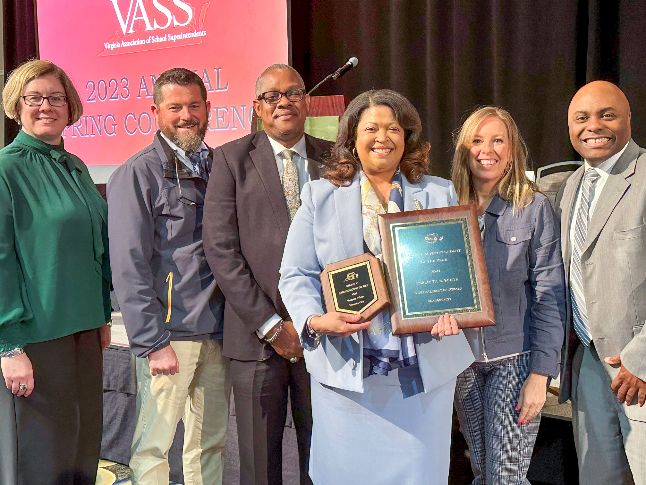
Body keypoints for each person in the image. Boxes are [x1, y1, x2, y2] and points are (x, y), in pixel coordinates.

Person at [278, 89, 474, 484]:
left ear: (407, 138)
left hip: (423, 375)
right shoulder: (320, 195)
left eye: (393, 128)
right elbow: (294, 274)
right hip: (347, 375)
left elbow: (457, 270)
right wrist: (315, 320)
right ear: (352, 137)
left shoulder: (438, 192)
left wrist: (455, 309)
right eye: (371, 128)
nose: (382, 137)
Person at [203, 64, 331, 485]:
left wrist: (318, 320)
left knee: (326, 458)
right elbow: (222, 251)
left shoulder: (337, 159)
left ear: (306, 100)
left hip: (327, 336)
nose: (284, 102)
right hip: (258, 340)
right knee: (259, 465)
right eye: (272, 96)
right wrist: (274, 327)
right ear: (257, 107)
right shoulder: (231, 159)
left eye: (293, 92)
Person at [107, 68, 230, 485]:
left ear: (208, 109)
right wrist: (152, 342)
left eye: (194, 105)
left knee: (209, 445)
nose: (186, 115)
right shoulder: (137, 173)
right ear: (155, 112)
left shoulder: (220, 167)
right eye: (175, 106)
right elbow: (128, 266)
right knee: (153, 449)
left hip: (219, 333)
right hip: (169, 339)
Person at [0, 59, 111, 485]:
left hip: (84, 333)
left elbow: (95, 248)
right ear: (17, 106)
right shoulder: (7, 169)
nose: (46, 106)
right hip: (36, 339)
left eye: (56, 98)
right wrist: (8, 346)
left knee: (81, 452)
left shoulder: (75, 166)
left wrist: (102, 314)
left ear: (70, 107)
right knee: (42, 463)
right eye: (35, 98)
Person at [450, 106, 565, 484]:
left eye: (498, 140)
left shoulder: (533, 208)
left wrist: (540, 375)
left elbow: (550, 296)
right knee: (483, 473)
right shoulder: (445, 207)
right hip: (463, 363)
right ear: (464, 150)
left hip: (515, 363)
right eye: (478, 140)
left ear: (513, 150)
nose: (488, 149)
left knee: (507, 478)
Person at [556, 80, 646, 484]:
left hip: (639, 366)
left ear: (628, 117)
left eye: (606, 115)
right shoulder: (571, 186)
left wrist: (641, 360)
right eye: (582, 118)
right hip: (588, 360)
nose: (594, 125)